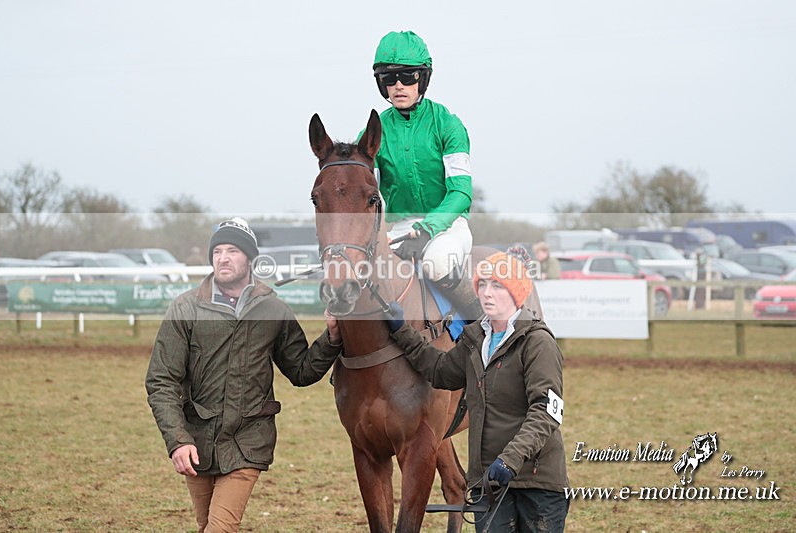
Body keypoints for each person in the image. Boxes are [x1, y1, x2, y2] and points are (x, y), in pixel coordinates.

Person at [145, 217, 342, 533]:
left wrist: (331, 337)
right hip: (197, 439)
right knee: (206, 524)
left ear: (250, 258)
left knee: (220, 528)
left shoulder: (272, 309)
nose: (223, 258)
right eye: (218, 251)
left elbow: (301, 370)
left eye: (233, 251)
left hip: (248, 438)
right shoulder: (185, 309)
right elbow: (161, 381)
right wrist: (178, 440)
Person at [385, 248, 569, 532]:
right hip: (490, 484)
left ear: (516, 293)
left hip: (536, 484)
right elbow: (440, 371)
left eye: (497, 285)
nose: (486, 292)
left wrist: (509, 460)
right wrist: (402, 331)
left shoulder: (538, 342)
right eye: (482, 285)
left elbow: (546, 412)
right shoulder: (476, 339)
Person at [369, 30, 481, 320]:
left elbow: (461, 193)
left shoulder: (449, 125)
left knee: (436, 262)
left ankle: (481, 326)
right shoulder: (373, 132)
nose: (398, 86)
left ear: (423, 79)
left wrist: (429, 229)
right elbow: (366, 191)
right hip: (398, 231)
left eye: (408, 77)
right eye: (388, 79)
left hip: (447, 228)